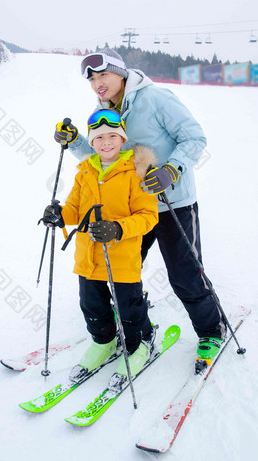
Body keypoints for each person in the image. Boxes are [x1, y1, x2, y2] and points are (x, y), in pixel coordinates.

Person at [54, 47, 226, 363]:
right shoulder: (103, 108)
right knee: (120, 270)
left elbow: (194, 138)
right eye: (91, 79)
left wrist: (171, 169)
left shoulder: (156, 98)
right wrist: (76, 139)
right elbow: (102, 156)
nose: (97, 83)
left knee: (184, 274)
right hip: (130, 210)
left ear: (121, 72)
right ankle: (133, 319)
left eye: (103, 75)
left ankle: (212, 331)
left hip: (172, 202)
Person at [44, 109, 158, 380]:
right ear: (91, 143)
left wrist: (118, 228)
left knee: (129, 305)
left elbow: (148, 217)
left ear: (122, 140)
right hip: (88, 255)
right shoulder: (85, 171)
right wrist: (59, 215)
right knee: (91, 304)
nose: (106, 142)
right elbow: (74, 208)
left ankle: (140, 342)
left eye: (112, 136)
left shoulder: (136, 172)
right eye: (99, 137)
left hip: (122, 254)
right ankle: (104, 341)